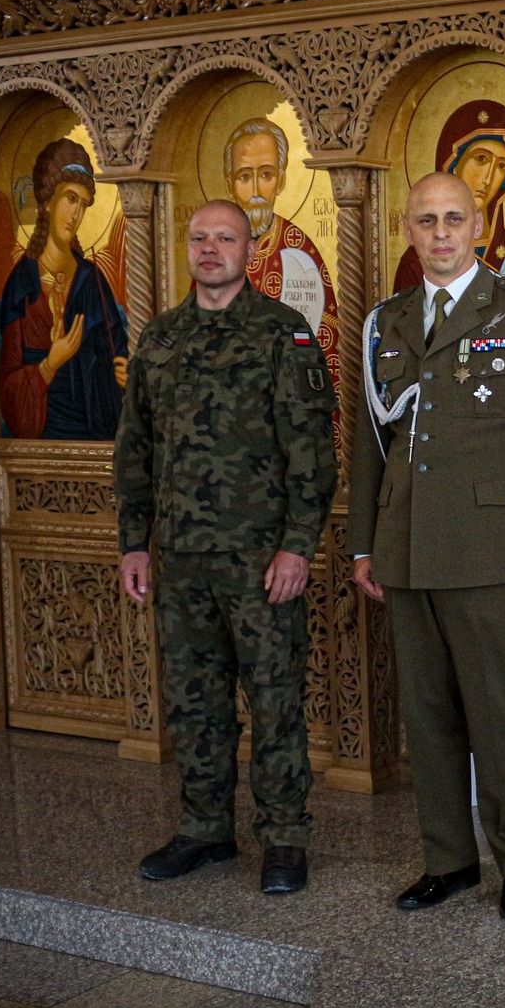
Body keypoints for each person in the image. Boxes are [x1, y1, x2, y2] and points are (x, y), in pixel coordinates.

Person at [350, 173, 505, 917]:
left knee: (497, 716)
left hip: (488, 549)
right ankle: (447, 859)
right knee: (428, 717)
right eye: (427, 221)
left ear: (479, 225)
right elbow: (371, 444)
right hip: (406, 549)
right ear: (407, 230)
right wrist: (363, 545)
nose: (441, 233)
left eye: (454, 219)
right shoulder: (386, 321)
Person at [116, 201, 337, 895]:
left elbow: (312, 453)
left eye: (225, 238)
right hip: (179, 560)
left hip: (259, 561)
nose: (209, 248)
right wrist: (134, 542)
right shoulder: (161, 336)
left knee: (273, 699)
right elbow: (135, 447)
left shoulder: (282, 333)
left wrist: (298, 547)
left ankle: (284, 836)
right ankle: (205, 826)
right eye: (199, 237)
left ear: (249, 249)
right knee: (194, 700)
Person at [0, 139, 129, 440]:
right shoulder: (22, 283)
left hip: (95, 431)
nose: (76, 214)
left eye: (83, 204)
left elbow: (118, 350)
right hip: (41, 433)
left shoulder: (92, 279)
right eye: (70, 199)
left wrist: (124, 372)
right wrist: (50, 363)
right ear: (47, 201)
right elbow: (7, 389)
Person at [223, 118, 343, 415]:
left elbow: (326, 344)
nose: (255, 190)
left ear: (282, 180)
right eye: (244, 176)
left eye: (266, 174)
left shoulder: (299, 250)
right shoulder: (215, 255)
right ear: (229, 183)